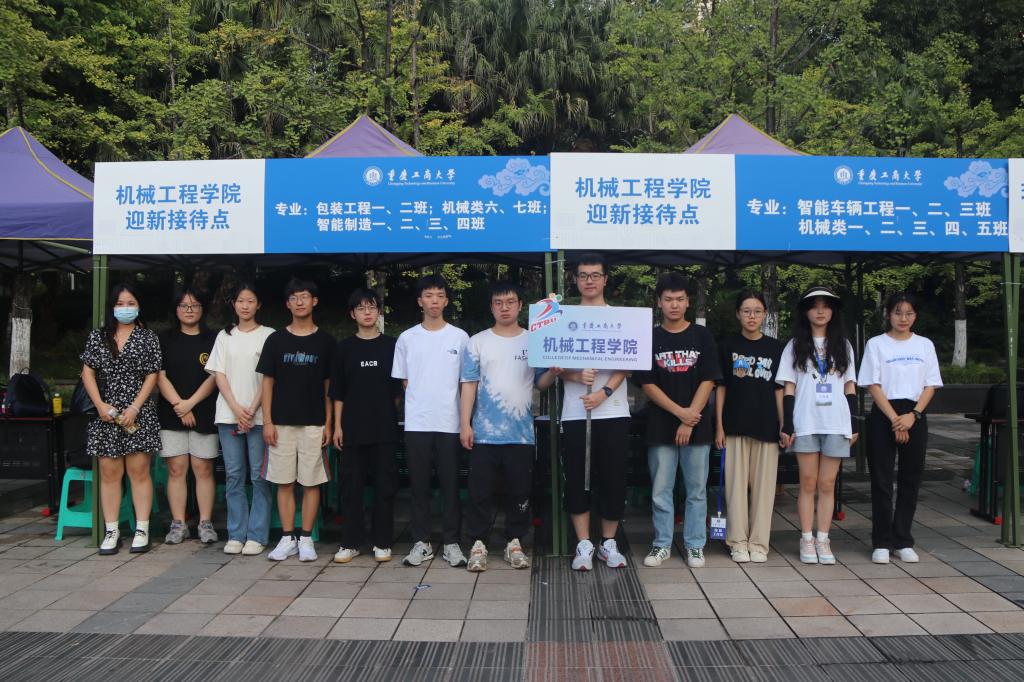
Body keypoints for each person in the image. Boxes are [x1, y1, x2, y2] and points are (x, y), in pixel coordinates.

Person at [537, 253, 630, 571]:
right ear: (575, 280)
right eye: (583, 275)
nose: (589, 280)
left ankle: (608, 542)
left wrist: (604, 392)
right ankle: (583, 543)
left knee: (613, 478)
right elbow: (552, 361)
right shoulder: (562, 317)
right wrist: (576, 376)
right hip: (576, 413)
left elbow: (628, 362)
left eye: (595, 275)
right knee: (577, 478)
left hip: (613, 411)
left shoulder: (620, 318)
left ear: (605, 279)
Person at [634, 273, 721, 568]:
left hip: (697, 425)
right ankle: (662, 544)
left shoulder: (702, 336)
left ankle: (695, 545)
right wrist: (679, 413)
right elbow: (647, 384)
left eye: (680, 299)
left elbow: (709, 379)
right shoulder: (650, 337)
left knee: (697, 490)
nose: (674, 304)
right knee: (661, 490)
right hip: (661, 425)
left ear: (688, 302)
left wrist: (689, 418)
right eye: (668, 299)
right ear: (659, 302)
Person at [776, 285, 858, 565]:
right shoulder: (794, 345)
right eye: (814, 306)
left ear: (833, 311)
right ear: (805, 312)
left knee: (827, 483)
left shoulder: (843, 345)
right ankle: (806, 538)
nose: (820, 311)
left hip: (836, 422)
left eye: (826, 305)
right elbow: (788, 387)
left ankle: (823, 538)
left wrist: (853, 423)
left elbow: (849, 386)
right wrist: (787, 424)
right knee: (808, 482)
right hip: (806, 422)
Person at [858, 292, 942, 564]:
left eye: (909, 313)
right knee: (881, 480)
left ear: (915, 316)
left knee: (911, 478)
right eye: (897, 312)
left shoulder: (925, 345)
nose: (903, 318)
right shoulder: (876, 344)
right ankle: (882, 541)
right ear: (888, 314)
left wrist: (913, 416)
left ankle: (903, 539)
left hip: (915, 413)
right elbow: (872, 384)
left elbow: (930, 385)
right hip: (885, 412)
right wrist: (896, 419)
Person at [393, 273, 470, 567]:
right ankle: (421, 542)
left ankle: (451, 543)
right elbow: (404, 382)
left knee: (450, 486)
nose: (434, 301)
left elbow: (466, 383)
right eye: (428, 295)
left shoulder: (460, 337)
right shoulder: (407, 338)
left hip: (450, 423)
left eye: (439, 295)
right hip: (418, 424)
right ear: (420, 301)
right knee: (419, 486)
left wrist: (465, 422)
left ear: (446, 301)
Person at [460, 281, 537, 572]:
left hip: (521, 434)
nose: (505, 308)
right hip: (484, 434)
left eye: (510, 302)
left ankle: (514, 542)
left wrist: (554, 372)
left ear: (520, 305)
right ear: (491, 307)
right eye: (498, 303)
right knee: (479, 492)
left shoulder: (533, 340)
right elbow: (469, 384)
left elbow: (542, 382)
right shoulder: (477, 341)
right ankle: (478, 543)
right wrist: (465, 424)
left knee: (519, 492)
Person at [80, 283, 162, 555]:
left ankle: (142, 529)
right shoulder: (98, 336)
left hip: (138, 413)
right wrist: (100, 405)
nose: (125, 308)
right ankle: (111, 530)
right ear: (112, 306)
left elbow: (152, 374)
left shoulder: (148, 337)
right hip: (106, 414)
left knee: (139, 472)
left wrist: (136, 407)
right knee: (109, 473)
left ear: (139, 306)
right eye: (120, 303)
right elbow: (87, 372)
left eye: (130, 303)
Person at [257, 278, 334, 562]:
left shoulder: (326, 341)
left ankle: (306, 538)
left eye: (305, 296)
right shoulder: (276, 340)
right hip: (281, 424)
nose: (300, 302)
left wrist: (329, 423)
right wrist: (267, 421)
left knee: (311, 482)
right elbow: (267, 383)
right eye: (294, 297)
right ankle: (287, 537)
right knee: (284, 482)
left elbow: (329, 387)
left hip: (314, 423)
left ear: (315, 301)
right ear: (287, 304)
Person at [331, 288, 402, 564]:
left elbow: (398, 392)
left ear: (379, 311)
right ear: (353, 314)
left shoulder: (392, 346)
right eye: (361, 308)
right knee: (351, 488)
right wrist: (337, 426)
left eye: (371, 307)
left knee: (385, 487)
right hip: (351, 429)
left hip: (384, 429)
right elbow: (337, 392)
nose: (367, 312)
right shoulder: (344, 349)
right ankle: (350, 542)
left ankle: (382, 542)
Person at [714, 290, 785, 564]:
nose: (751, 316)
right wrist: (719, 426)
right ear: (738, 314)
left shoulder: (776, 348)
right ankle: (737, 542)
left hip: (767, 427)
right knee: (735, 488)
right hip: (734, 426)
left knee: (764, 491)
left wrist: (784, 425)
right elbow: (721, 388)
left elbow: (779, 390)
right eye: (746, 311)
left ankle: (758, 543)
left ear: (765, 314)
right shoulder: (726, 346)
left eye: (757, 311)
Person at [205, 283, 275, 556]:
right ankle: (236, 534)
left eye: (251, 300)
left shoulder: (269, 335)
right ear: (233, 304)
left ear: (259, 305)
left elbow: (269, 377)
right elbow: (219, 375)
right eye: (240, 301)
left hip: (259, 416)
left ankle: (257, 535)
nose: (245, 306)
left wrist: (252, 409)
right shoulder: (225, 336)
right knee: (234, 475)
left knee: (259, 476)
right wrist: (236, 409)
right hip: (228, 415)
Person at [157, 286, 220, 545]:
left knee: (203, 468)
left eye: (195, 305)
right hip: (171, 413)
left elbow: (215, 376)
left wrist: (190, 404)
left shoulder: (214, 338)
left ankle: (205, 523)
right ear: (176, 310)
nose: (189, 310)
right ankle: (178, 523)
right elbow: (159, 376)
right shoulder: (164, 339)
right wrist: (179, 405)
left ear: (202, 309)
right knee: (176, 469)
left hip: (204, 411)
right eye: (184, 305)